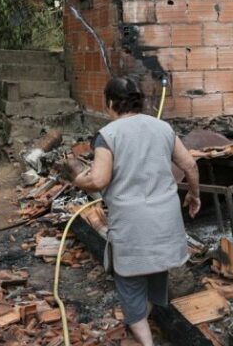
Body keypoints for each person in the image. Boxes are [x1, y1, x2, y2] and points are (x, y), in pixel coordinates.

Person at [69, 76, 201, 346]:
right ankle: (142, 321)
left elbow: (99, 180)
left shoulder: (108, 135)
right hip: (166, 221)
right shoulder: (163, 127)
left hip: (132, 225)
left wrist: (78, 178)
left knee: (129, 283)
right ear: (139, 101)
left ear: (109, 103)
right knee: (156, 270)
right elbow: (190, 165)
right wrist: (194, 194)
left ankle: (145, 339)